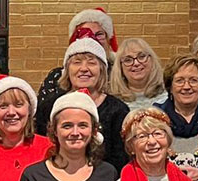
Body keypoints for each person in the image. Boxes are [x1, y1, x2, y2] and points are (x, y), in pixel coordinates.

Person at [35, 28, 131, 169]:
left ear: (102, 70)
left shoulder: (118, 110)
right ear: (67, 69)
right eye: (77, 62)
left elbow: (121, 161)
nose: (84, 68)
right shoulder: (49, 107)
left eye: (91, 63)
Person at [38, 8, 120, 107]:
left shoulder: (120, 72)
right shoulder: (56, 76)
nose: (92, 38)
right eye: (85, 33)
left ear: (108, 39)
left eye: (99, 34)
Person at [109, 38, 168, 110]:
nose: (136, 63)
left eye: (142, 56)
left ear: (152, 60)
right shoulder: (112, 102)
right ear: (120, 67)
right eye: (128, 60)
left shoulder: (169, 95)